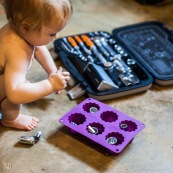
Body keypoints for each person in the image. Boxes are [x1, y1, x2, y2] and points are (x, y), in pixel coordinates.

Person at [0, 0, 72, 130]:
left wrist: (52, 72)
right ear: (25, 28)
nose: (56, 37)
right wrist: (50, 85)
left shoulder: (19, 27)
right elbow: (15, 93)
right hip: (12, 90)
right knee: (23, 86)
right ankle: (10, 119)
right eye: (52, 33)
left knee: (15, 80)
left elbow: (38, 47)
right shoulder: (17, 51)